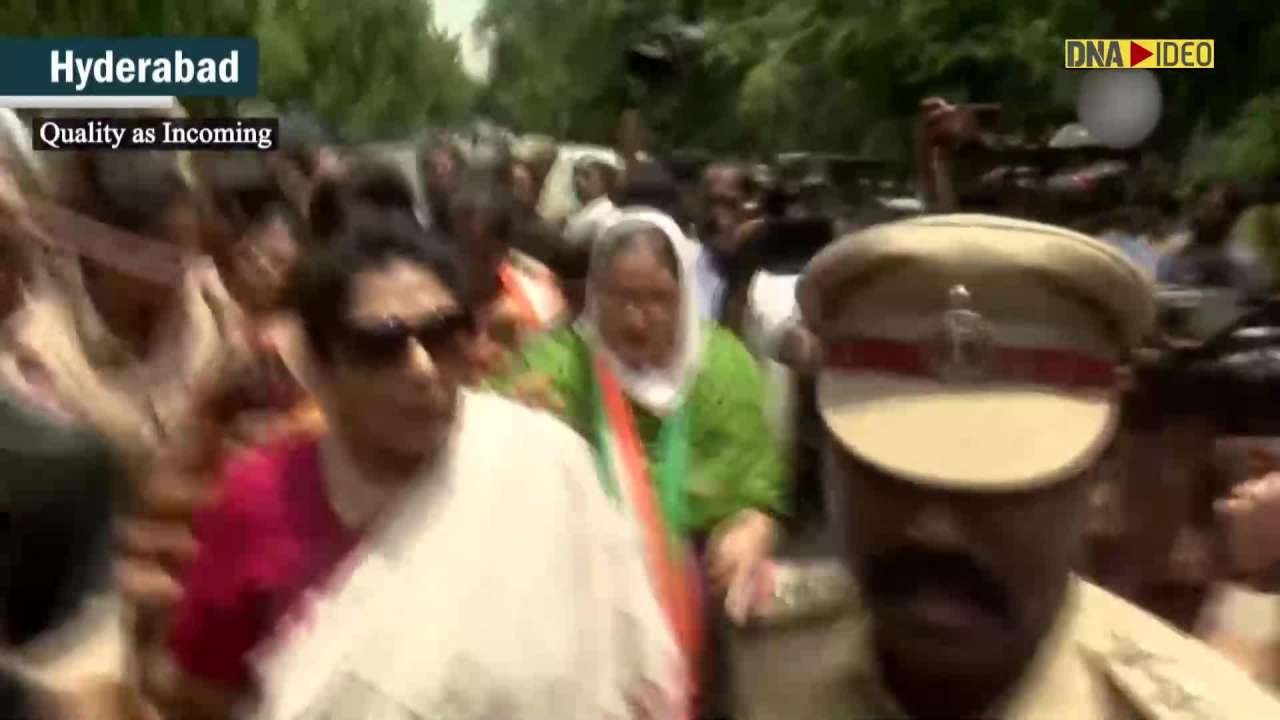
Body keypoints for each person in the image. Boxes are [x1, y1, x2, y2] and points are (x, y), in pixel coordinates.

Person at [734, 213, 1280, 719]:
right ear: (829, 456)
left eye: (998, 483)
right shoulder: (753, 662)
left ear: (1100, 474)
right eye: (889, 471)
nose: (936, 529)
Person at [154, 209, 681, 720]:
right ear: (321, 365)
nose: (422, 369)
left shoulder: (542, 464)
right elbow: (202, 692)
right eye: (380, 345)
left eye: (441, 334)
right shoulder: (260, 504)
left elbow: (627, 666)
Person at [496, 207, 786, 712]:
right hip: (577, 601)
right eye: (620, 298)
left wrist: (752, 526)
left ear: (684, 298)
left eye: (657, 300)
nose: (637, 319)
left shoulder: (723, 369)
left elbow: (757, 484)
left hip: (696, 607)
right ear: (593, 295)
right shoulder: (554, 366)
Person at [446, 174, 568, 376]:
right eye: (461, 250)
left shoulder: (539, 308)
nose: (469, 265)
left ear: (503, 250)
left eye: (482, 255)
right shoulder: (428, 297)